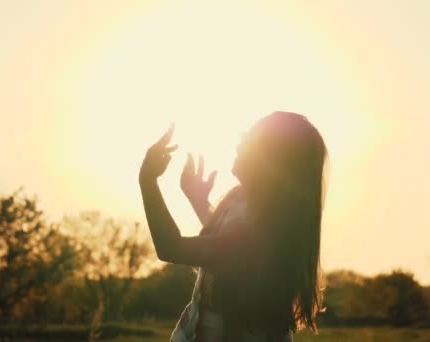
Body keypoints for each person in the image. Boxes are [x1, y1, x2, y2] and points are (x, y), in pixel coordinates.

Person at [139, 111, 328, 341]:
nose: (241, 137)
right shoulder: (255, 211)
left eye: (252, 136)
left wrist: (148, 180)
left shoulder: (251, 232)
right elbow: (225, 247)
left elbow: (171, 247)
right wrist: (198, 200)